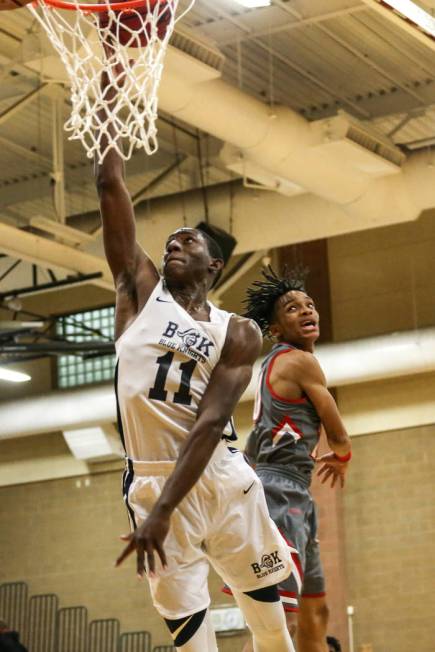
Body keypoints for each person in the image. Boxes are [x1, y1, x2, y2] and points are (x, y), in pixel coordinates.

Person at [94, 72, 295, 652]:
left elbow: (209, 425)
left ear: (213, 266)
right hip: (152, 476)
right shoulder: (137, 293)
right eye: (170, 242)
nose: (174, 244)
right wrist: (109, 94)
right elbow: (109, 183)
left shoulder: (239, 331)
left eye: (189, 241)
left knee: (270, 630)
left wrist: (164, 513)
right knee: (192, 641)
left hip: (220, 475)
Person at [241, 267, 352, 652]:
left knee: (315, 613)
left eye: (310, 304)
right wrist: (343, 456)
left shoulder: (271, 365)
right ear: (274, 329)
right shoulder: (300, 362)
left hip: (290, 491)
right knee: (279, 618)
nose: (306, 310)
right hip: (280, 490)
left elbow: (253, 442)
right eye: (292, 308)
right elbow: (336, 428)